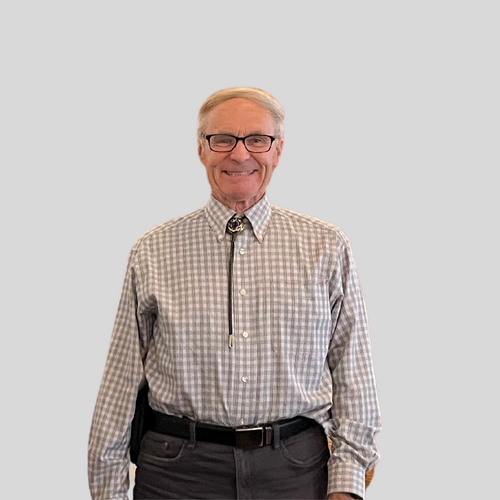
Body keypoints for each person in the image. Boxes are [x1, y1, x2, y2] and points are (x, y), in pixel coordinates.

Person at [88, 87, 381, 500]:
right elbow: (119, 384)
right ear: (201, 149)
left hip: (296, 472)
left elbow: (354, 376)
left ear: (278, 149)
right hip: (177, 474)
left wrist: (347, 485)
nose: (240, 154)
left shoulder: (326, 247)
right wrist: (108, 491)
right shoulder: (152, 251)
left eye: (257, 139)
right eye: (222, 139)